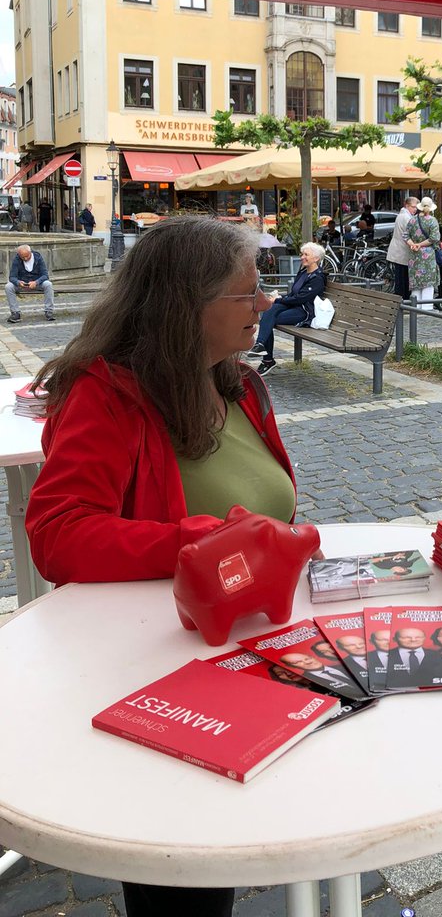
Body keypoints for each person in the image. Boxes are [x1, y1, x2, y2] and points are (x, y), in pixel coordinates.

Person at [25, 216, 305, 917]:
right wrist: (193, 540)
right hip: (160, 673)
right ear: (188, 304)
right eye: (247, 293)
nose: (264, 303)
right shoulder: (107, 392)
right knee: (185, 878)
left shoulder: (237, 383)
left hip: (250, 647)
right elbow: (57, 534)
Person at [246, 242, 326, 376]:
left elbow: (300, 299)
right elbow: (293, 295)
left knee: (268, 318)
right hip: (293, 306)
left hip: (304, 312)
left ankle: (266, 358)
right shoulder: (303, 272)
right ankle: (261, 349)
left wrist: (278, 299)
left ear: (316, 258)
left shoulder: (317, 278)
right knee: (270, 312)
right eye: (302, 254)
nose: (302, 257)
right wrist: (279, 298)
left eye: (306, 254)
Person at [6, 244, 55, 323]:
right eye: (22, 257)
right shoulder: (17, 259)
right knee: (8, 286)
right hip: (22, 283)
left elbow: (45, 275)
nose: (25, 258)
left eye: (27, 256)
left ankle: (49, 311)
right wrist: (18, 282)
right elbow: (12, 277)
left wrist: (36, 282)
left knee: (48, 284)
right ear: (19, 255)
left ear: (30, 253)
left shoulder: (38, 258)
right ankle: (15, 313)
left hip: (37, 282)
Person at [408, 196, 441, 310]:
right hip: (428, 256)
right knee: (428, 282)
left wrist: (413, 244)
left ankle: (415, 306)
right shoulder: (432, 221)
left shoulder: (412, 220)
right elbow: (434, 238)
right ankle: (426, 307)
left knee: (416, 282)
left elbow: (405, 235)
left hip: (414, 254)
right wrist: (421, 245)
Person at [387, 195, 419, 299]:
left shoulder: (403, 215)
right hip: (402, 252)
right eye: (413, 207)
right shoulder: (406, 217)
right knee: (402, 279)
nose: (415, 209)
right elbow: (411, 234)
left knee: (401, 277)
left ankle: (401, 300)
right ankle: (402, 301)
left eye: (416, 207)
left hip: (399, 251)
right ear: (407, 205)